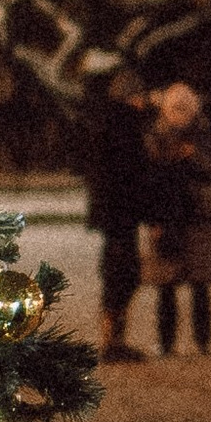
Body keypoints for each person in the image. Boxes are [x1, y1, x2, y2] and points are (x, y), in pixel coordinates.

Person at [138, 79, 211, 357]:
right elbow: (149, 175)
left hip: (198, 217)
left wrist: (193, 157)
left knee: (200, 286)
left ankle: (202, 343)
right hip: (167, 216)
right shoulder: (156, 136)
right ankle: (167, 344)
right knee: (167, 287)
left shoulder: (203, 135)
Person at [73, 62, 152, 366]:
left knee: (116, 274)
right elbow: (132, 173)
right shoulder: (127, 124)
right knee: (123, 275)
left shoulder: (104, 123)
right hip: (122, 213)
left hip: (110, 214)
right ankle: (113, 341)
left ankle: (113, 338)